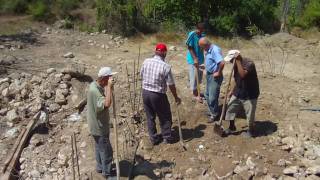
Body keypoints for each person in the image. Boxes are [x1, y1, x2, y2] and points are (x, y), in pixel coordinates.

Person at [140, 43, 181, 145]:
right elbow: (171, 84)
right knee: (165, 115)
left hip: (145, 92)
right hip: (158, 95)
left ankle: (153, 138)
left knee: (150, 117)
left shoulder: (146, 61)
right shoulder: (165, 66)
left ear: (155, 51)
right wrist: (176, 97)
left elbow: (141, 75)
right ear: (164, 53)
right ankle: (167, 137)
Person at [87, 67, 117, 178]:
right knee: (106, 150)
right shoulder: (94, 91)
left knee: (99, 147)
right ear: (104, 79)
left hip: (95, 124)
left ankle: (100, 167)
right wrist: (109, 87)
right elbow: (107, 103)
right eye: (110, 77)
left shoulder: (95, 85)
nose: (111, 79)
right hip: (99, 126)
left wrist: (108, 87)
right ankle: (107, 173)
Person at [223, 50, 260, 137]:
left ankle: (251, 131)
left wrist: (238, 61)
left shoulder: (249, 64)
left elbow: (242, 75)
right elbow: (236, 79)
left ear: (237, 58)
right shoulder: (236, 65)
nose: (231, 62)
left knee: (250, 114)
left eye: (232, 60)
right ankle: (232, 127)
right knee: (230, 109)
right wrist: (231, 91)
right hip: (238, 91)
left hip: (250, 94)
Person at [198, 37, 225, 123]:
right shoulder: (208, 50)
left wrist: (218, 72)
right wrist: (205, 66)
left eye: (202, 47)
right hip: (209, 75)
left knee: (212, 97)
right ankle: (212, 111)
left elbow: (222, 62)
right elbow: (211, 60)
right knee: (207, 95)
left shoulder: (215, 50)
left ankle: (215, 114)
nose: (202, 49)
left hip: (215, 76)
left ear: (206, 45)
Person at [186, 22, 205, 102]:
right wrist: (195, 59)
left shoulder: (203, 35)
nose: (200, 32)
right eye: (199, 30)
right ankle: (194, 95)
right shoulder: (192, 34)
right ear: (196, 28)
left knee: (199, 77)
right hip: (193, 60)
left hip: (200, 59)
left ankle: (198, 92)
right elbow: (189, 47)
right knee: (194, 77)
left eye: (202, 30)